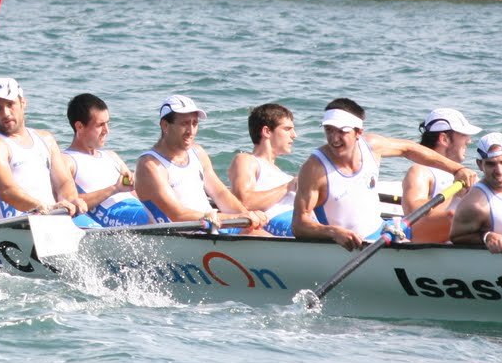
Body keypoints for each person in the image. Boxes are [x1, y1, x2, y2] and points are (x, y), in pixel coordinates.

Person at [291, 98, 469, 250]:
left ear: (358, 132)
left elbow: (409, 148)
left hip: (384, 231)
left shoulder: (372, 146)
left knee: (457, 219)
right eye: (329, 130)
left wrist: (457, 169)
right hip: (356, 245)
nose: (334, 138)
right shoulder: (314, 168)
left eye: (342, 131)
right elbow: (299, 225)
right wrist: (332, 232)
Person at [133, 96, 268, 232]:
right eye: (184, 124)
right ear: (165, 125)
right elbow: (178, 215)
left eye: (194, 123)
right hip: (184, 233)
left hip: (212, 226)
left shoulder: (197, 152)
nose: (191, 131)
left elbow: (220, 193)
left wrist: (246, 215)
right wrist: (236, 217)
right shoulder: (150, 165)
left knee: (259, 232)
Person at [0, 78, 93, 223]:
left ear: (23, 103)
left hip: (54, 215)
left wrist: (71, 201)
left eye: (10, 104)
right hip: (21, 223)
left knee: (97, 228)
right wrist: (45, 208)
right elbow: (7, 190)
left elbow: (63, 182)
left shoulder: (46, 139)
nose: (5, 113)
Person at [64, 93, 151, 226]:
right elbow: (69, 202)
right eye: (100, 125)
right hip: (114, 214)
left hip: (136, 208)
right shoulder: (66, 160)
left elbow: (132, 191)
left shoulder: (112, 156)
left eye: (107, 123)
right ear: (79, 127)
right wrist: (114, 189)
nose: (107, 130)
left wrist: (139, 184)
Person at [397, 107, 481, 244]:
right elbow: (414, 214)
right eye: (463, 135)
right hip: (431, 240)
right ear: (444, 139)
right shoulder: (420, 171)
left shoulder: (466, 174)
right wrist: (454, 192)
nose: (469, 141)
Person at [227, 103, 299, 237]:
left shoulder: (282, 174)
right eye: (287, 129)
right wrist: (288, 187)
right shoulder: (247, 160)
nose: (294, 135)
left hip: (301, 218)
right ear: (267, 131)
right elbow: (244, 202)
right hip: (277, 220)